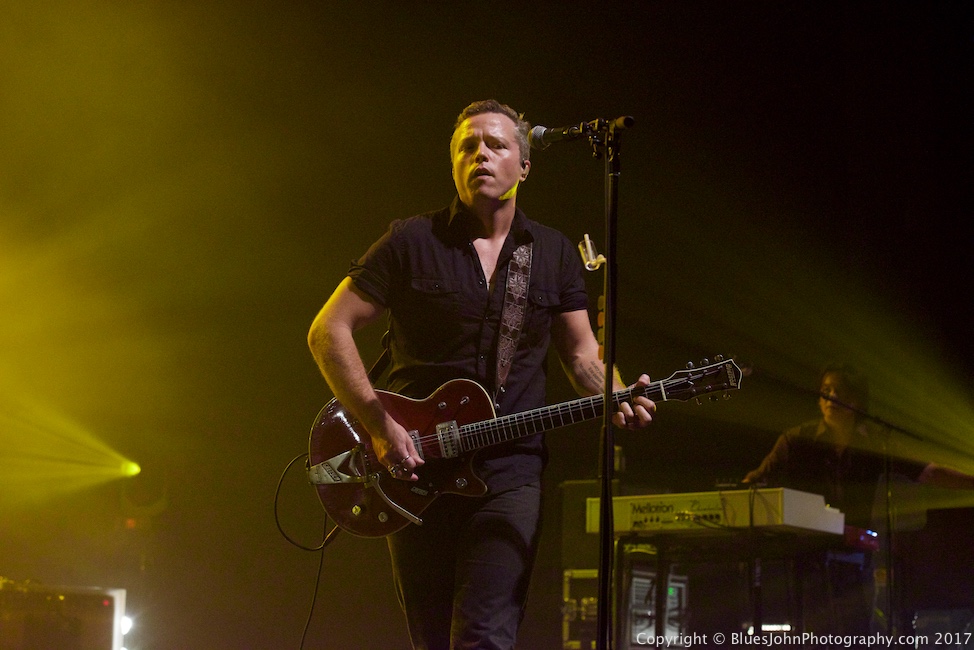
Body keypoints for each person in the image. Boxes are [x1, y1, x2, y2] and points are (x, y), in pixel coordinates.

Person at [307, 99, 656, 650]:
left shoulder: (554, 252)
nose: (481, 156)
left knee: (485, 635)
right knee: (430, 637)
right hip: (414, 467)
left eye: (496, 145)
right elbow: (328, 332)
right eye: (467, 147)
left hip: (508, 472)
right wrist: (378, 424)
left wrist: (619, 394)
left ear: (525, 166)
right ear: (453, 165)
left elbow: (584, 357)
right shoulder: (410, 241)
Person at [743, 363, 974, 634]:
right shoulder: (795, 440)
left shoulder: (876, 441)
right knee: (814, 629)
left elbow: (929, 472)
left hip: (855, 551)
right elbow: (755, 482)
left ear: (858, 402)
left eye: (840, 391)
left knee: (856, 629)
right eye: (826, 390)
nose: (832, 397)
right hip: (806, 552)